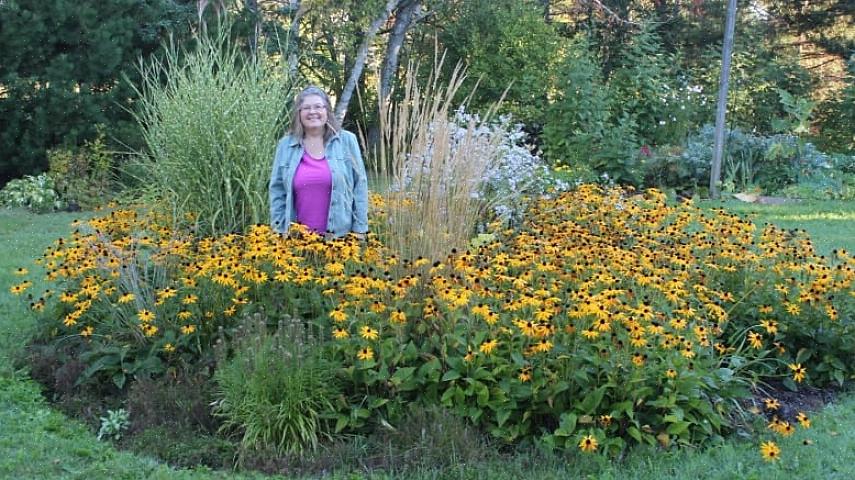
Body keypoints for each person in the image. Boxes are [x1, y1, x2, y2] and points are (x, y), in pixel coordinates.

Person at [269, 86, 369, 239]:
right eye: (306, 108)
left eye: (318, 106)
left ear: (327, 111)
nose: (312, 112)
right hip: (296, 241)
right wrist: (278, 229)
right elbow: (277, 191)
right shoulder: (286, 145)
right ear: (299, 113)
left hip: (340, 240)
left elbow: (359, 187)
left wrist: (360, 230)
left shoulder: (347, 141)